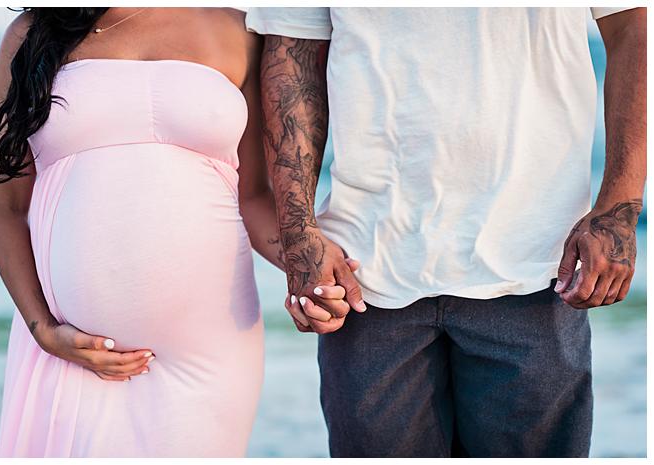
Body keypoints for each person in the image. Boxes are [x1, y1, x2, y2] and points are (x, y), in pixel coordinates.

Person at [247, 7, 646, 458]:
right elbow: (293, 52)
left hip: (537, 266)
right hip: (368, 274)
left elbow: (634, 26)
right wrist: (300, 235)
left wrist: (619, 206)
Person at [0, 7, 352, 457]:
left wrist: (309, 266)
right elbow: (5, 211)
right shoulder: (31, 36)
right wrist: (43, 329)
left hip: (208, 352)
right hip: (74, 349)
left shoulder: (239, 30)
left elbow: (252, 198)